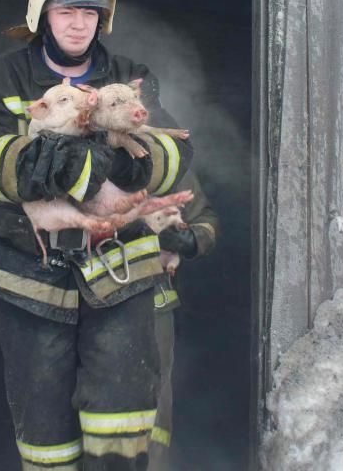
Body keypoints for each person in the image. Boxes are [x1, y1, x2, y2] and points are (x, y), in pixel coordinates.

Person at [0, 0, 194, 471]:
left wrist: (131, 165)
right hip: (29, 274)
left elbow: (177, 148)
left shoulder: (130, 74)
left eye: (89, 13)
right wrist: (44, 165)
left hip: (120, 274)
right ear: (42, 14)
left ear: (102, 19)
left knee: (123, 410)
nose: (79, 24)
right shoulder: (1, 80)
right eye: (67, 11)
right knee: (45, 426)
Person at [147, 173, 219, 470]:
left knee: (152, 419)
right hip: (78, 311)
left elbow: (202, 216)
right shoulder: (64, 136)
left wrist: (192, 239)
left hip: (152, 310)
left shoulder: (163, 136)